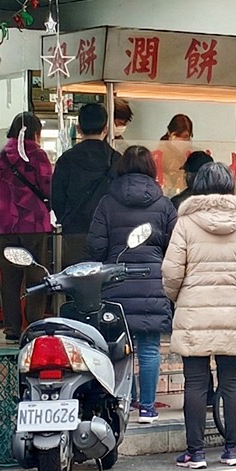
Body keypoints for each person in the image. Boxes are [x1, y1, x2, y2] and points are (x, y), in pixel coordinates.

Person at [163, 162, 236, 469]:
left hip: (194, 312)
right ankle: (232, 450)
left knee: (195, 382)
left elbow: (170, 271)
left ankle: (195, 453)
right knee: (232, 381)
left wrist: (178, 296)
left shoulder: (186, 223)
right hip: (233, 311)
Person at [87, 146, 178, 424]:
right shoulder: (164, 205)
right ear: (152, 169)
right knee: (149, 348)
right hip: (152, 283)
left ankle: (123, 404)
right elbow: (174, 247)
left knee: (119, 347)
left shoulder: (107, 203)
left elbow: (95, 246)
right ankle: (147, 409)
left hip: (116, 282)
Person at [0, 112, 53, 343]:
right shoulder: (38, 156)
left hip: (3, 227)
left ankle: (12, 329)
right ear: (36, 132)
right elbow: (47, 187)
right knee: (35, 275)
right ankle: (34, 324)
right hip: (33, 225)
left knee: (10, 279)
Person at [51, 103, 121, 268]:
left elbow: (56, 198)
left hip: (74, 232)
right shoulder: (117, 160)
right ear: (106, 128)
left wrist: (67, 220)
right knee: (105, 283)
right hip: (108, 233)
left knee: (76, 283)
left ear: (78, 128)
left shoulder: (66, 159)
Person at [158, 114, 194, 197]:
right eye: (176, 135)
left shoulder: (189, 152)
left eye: (186, 137)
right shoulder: (160, 154)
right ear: (170, 134)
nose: (182, 141)